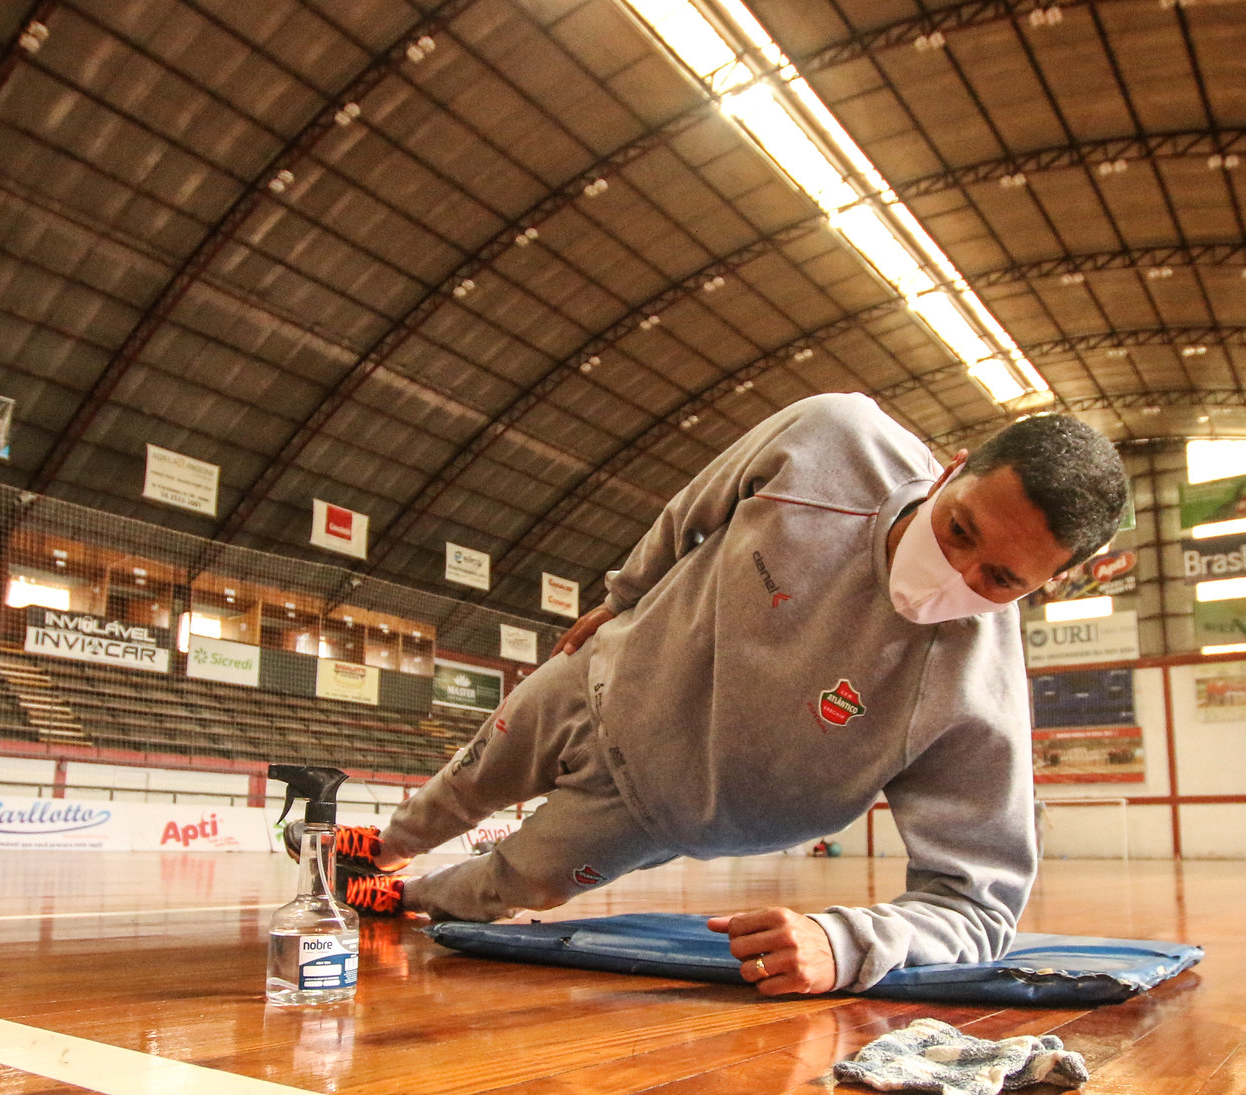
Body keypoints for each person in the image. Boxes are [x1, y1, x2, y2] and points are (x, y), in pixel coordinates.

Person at [298, 394, 1127, 994]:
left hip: (658, 809)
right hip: (605, 676)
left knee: (503, 887)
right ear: (951, 469)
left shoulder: (977, 696)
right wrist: (623, 599)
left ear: (1045, 587)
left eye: (1000, 579)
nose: (957, 574)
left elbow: (977, 909)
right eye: (960, 529)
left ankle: (394, 893)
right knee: (466, 780)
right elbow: (691, 507)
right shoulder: (833, 439)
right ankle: (382, 846)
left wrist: (847, 942)